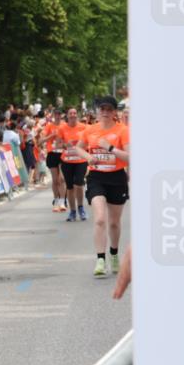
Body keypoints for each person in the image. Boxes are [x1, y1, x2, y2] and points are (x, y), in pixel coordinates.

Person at [74, 96, 130, 277]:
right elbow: (78, 148)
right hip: (96, 177)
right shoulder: (90, 130)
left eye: (109, 109)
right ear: (97, 112)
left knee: (114, 223)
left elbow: (130, 156)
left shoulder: (123, 130)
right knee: (99, 219)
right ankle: (100, 259)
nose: (105, 112)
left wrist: (111, 148)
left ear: (114, 112)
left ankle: (114, 253)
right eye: (101, 109)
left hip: (116, 178)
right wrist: (88, 157)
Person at [58, 107, 89, 221]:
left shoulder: (84, 127)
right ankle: (72, 211)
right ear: (67, 115)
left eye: (74, 113)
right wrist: (66, 144)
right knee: (70, 187)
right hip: (67, 160)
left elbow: (89, 141)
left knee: (78, 183)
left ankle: (81, 208)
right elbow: (58, 145)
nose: (72, 115)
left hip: (81, 160)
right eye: (70, 113)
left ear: (77, 115)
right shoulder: (62, 128)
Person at [42, 108, 67, 211]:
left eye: (59, 114)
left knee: (61, 179)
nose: (57, 115)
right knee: (55, 180)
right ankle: (56, 200)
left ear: (61, 115)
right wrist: (52, 135)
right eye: (56, 114)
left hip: (62, 154)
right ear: (53, 115)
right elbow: (41, 140)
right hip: (52, 153)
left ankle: (62, 201)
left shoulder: (65, 125)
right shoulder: (49, 126)